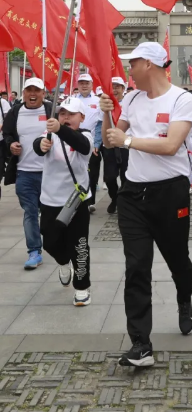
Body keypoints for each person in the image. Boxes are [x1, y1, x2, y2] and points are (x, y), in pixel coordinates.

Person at [100, 41, 192, 368]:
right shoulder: (131, 99)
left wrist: (127, 140)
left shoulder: (182, 99)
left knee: (178, 260)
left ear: (150, 65)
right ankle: (141, 344)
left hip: (170, 193)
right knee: (136, 267)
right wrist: (105, 114)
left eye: (133, 63)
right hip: (133, 194)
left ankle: (184, 299)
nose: (129, 69)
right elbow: (110, 140)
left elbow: (171, 145)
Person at [34, 98, 94, 306]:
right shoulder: (49, 133)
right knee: (49, 242)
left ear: (82, 117)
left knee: (80, 246)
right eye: (62, 114)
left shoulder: (85, 135)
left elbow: (82, 146)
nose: (66, 117)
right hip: (50, 200)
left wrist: (60, 129)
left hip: (76, 202)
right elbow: (38, 146)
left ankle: (82, 287)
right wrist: (40, 144)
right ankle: (62, 261)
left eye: (71, 114)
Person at [3, 78, 51, 269]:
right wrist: (11, 144)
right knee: (30, 212)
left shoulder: (51, 110)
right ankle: (34, 251)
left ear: (43, 93)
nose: (32, 94)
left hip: (50, 173)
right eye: (28, 90)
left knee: (49, 214)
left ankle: (55, 243)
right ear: (23, 93)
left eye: (36, 90)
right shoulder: (15, 111)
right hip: (24, 173)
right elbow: (7, 134)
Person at [101, 77, 130, 215]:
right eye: (112, 86)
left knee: (126, 176)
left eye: (118, 86)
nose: (115, 89)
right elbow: (98, 126)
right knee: (109, 177)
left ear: (123, 89)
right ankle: (115, 198)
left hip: (126, 146)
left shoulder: (129, 104)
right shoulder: (105, 104)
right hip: (109, 146)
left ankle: (124, 201)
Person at [75, 74, 103, 214]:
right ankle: (77, 201)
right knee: (76, 172)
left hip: (92, 145)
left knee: (92, 174)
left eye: (87, 83)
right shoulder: (72, 100)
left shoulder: (98, 101)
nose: (84, 86)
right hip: (74, 142)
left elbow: (100, 124)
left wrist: (97, 144)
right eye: (81, 83)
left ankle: (91, 201)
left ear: (92, 85)